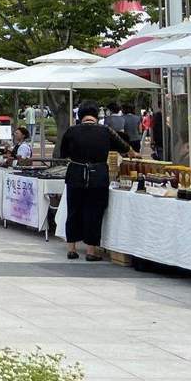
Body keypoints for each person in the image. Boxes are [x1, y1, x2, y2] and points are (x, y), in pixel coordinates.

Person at [59, 102, 131, 261]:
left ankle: (71, 249)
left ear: (80, 117)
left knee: (73, 211)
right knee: (94, 212)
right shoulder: (105, 131)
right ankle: (91, 251)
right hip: (98, 175)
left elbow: (63, 153)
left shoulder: (71, 131)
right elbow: (124, 147)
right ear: (96, 116)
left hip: (76, 174)